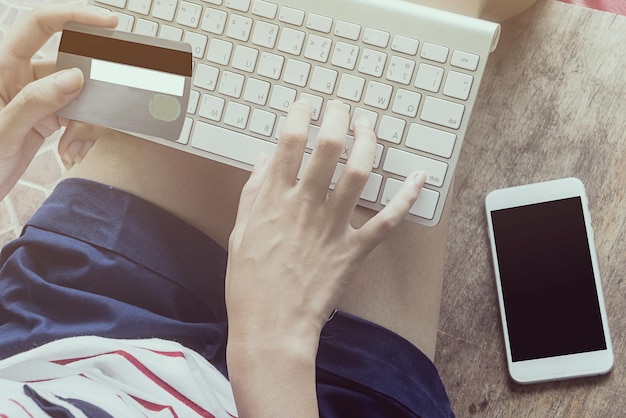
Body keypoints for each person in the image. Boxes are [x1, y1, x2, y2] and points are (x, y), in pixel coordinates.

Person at [0, 5, 454, 417]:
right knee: (432, 24)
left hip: (56, 334)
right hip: (300, 395)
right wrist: (271, 347)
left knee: (230, 36)